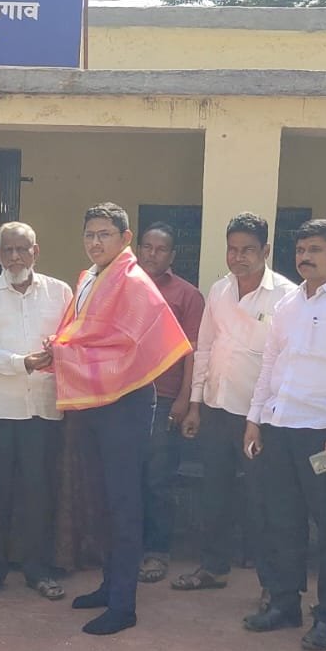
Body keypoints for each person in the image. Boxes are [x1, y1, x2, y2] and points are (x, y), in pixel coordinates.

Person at [48, 203, 190, 636]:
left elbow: (128, 343)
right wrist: (58, 348)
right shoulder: (90, 277)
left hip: (126, 401)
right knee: (102, 499)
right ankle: (109, 585)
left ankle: (124, 604)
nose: (95, 242)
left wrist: (60, 351)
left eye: (105, 234)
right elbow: (81, 333)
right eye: (90, 234)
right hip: (94, 398)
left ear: (125, 238)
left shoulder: (133, 282)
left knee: (125, 502)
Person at [242, 219, 326, 651]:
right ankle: (285, 604)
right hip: (280, 428)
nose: (305, 257)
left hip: (324, 436)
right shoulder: (287, 304)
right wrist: (255, 418)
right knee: (282, 521)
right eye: (301, 249)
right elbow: (270, 364)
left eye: (315, 250)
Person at [172, 213, 296, 592]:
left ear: (266, 251)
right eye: (232, 249)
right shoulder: (219, 291)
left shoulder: (287, 296)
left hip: (258, 418)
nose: (238, 257)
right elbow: (205, 348)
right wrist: (195, 405)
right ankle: (214, 568)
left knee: (262, 500)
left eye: (248, 250)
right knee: (214, 493)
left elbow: (286, 362)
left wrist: (261, 418)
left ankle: (271, 587)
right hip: (216, 409)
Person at [0, 221, 72, 601]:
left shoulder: (61, 292)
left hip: (42, 410)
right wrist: (23, 363)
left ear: (35, 252)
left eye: (22, 249)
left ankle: (38, 571)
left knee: (39, 494)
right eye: (7, 250)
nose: (15, 257)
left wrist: (58, 352)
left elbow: (71, 343)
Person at [134, 223, 205, 584]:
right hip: (125, 397)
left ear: (173, 255)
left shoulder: (186, 295)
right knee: (126, 478)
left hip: (163, 400)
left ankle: (157, 551)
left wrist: (185, 400)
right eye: (147, 247)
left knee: (157, 480)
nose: (152, 254)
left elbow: (193, 352)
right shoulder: (124, 288)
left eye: (160, 249)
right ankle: (126, 548)